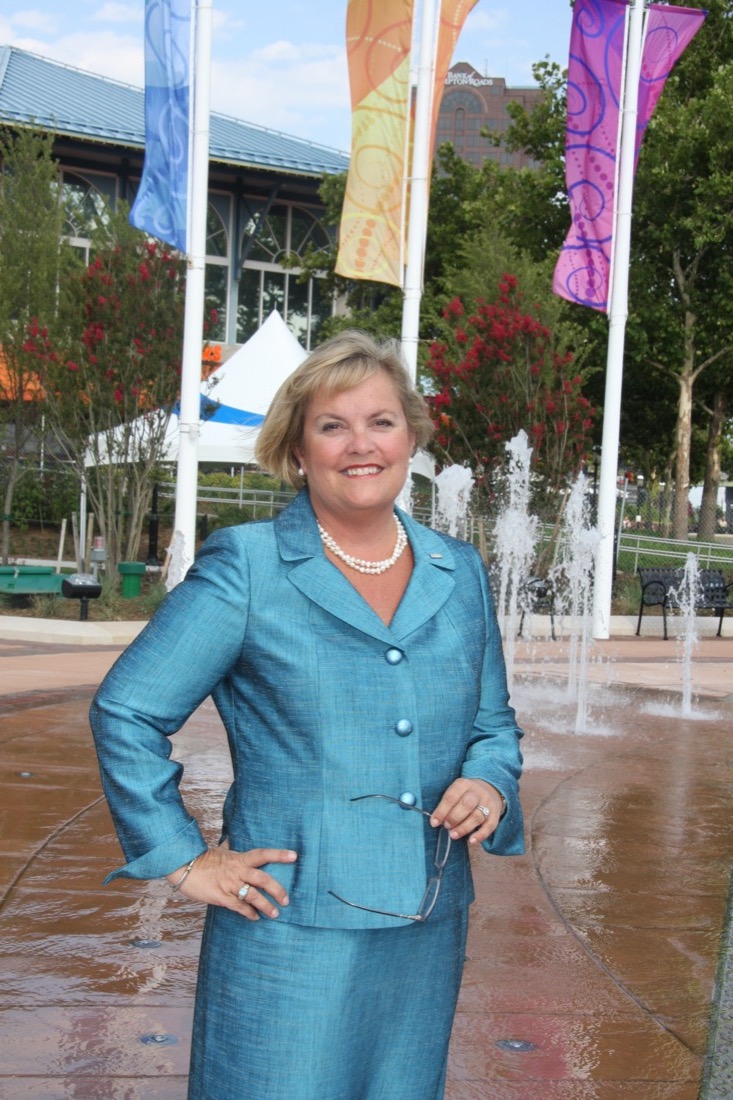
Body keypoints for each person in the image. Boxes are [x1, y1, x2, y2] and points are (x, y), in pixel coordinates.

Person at [90, 330, 524, 1100]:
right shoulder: (249, 566)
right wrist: (182, 858)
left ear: (411, 436)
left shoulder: (460, 573)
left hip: (428, 920)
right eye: (332, 426)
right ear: (297, 449)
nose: (361, 444)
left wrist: (489, 783)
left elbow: (492, 726)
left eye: (381, 422)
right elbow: (127, 709)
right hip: (287, 929)